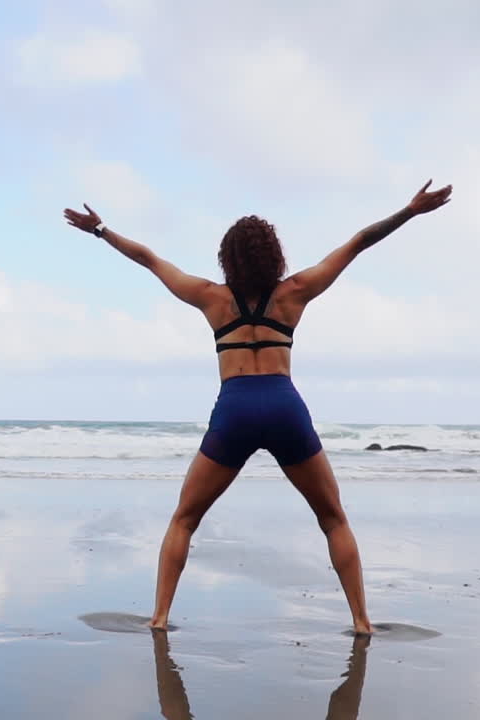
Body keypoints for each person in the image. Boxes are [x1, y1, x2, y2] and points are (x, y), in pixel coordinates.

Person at [63, 181, 452, 634]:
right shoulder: (296, 292)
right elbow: (359, 243)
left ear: (227, 259)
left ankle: (161, 617)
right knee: (332, 519)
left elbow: (150, 259)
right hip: (285, 407)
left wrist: (101, 230)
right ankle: (362, 622)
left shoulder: (211, 297)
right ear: (275, 256)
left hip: (235, 410)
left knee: (185, 520)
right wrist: (409, 211)